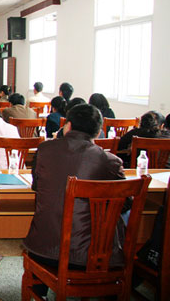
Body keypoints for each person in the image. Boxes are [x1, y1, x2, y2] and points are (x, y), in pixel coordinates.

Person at [24, 104, 126, 296]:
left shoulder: (44, 149)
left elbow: (37, 187)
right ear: (98, 131)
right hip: (94, 256)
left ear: (68, 126)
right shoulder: (109, 161)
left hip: (44, 248)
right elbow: (124, 203)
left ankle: (40, 291)